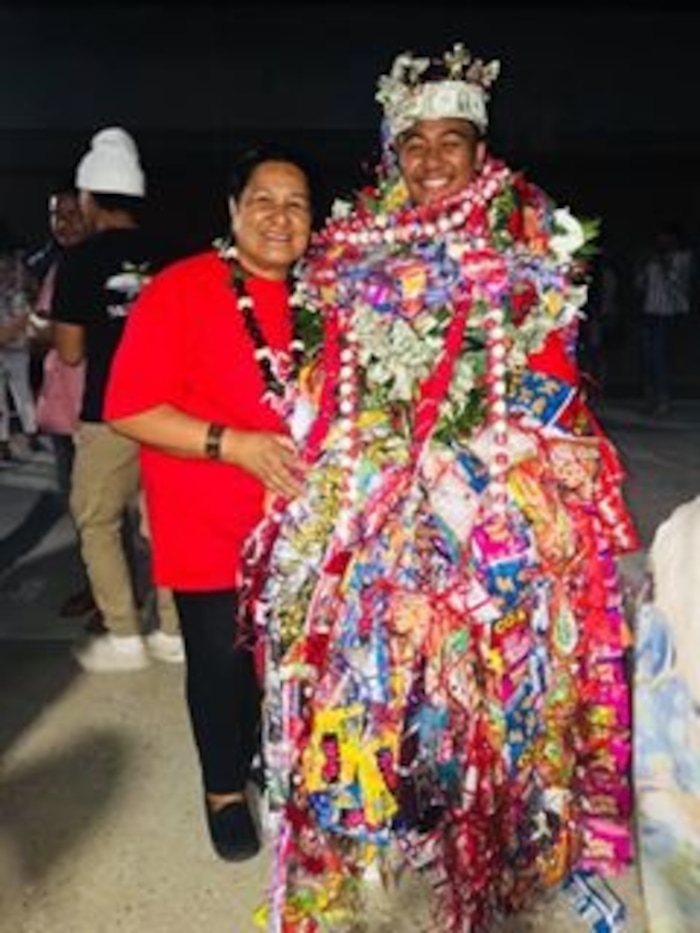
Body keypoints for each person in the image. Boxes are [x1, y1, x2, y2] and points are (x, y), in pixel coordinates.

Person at [239, 45, 640, 932]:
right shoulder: (351, 241)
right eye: (412, 142)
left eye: (449, 141)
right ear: (391, 150)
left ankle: (489, 829)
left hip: (488, 496)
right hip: (379, 498)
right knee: (375, 670)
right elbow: (329, 368)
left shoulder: (528, 234)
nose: (430, 161)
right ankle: (382, 821)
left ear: (479, 147)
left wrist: (498, 464)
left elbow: (553, 375)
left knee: (496, 671)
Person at [103, 145, 314, 862]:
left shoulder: (329, 296)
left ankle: (270, 755)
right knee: (222, 663)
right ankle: (223, 788)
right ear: (233, 210)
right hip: (210, 519)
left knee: (291, 661)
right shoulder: (184, 287)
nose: (278, 216)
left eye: (296, 203)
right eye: (263, 199)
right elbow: (128, 405)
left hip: (304, 525)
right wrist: (237, 444)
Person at [52, 126, 183, 671]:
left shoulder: (78, 262)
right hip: (174, 413)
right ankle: (176, 634)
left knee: (99, 520)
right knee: (169, 525)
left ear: (88, 196)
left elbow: (72, 352)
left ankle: (125, 634)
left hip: (111, 412)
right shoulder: (174, 254)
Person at [28, 184, 97, 621]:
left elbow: (64, 338)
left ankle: (106, 593)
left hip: (92, 405)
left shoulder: (94, 266)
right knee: (80, 504)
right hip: (61, 405)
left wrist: (44, 331)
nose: (65, 224)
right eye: (57, 216)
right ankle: (96, 585)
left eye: (73, 214)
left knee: (98, 508)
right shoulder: (49, 264)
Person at [635, 222, 696, 415]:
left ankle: (663, 398)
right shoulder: (651, 259)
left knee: (659, 357)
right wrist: (643, 268)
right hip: (649, 311)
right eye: (660, 238)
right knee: (647, 357)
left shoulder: (683, 257)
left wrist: (662, 263)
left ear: (675, 239)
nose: (662, 241)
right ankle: (650, 398)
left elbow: (678, 281)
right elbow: (640, 286)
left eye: (666, 238)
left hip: (668, 313)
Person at [0, 248, 40, 461]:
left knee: (21, 393)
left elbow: (22, 319)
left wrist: (6, 336)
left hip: (16, 350)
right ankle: (3, 441)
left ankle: (31, 432)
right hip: (5, 348)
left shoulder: (16, 293)